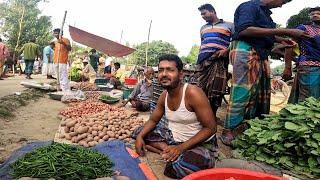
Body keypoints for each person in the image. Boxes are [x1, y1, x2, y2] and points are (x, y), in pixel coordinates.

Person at [220, 0, 312, 145]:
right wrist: (285, 31)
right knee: (243, 91)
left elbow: (267, 35)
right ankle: (229, 129)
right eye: (282, 1)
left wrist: (283, 40)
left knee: (258, 93)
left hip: (261, 52)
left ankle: (247, 125)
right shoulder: (250, 6)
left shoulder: (266, 15)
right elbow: (245, 30)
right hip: (246, 50)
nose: (281, 5)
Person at [133, 54, 217, 179]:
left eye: (170, 70)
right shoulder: (164, 96)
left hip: (198, 143)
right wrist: (140, 137)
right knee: (138, 132)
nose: (164, 74)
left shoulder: (193, 93)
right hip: (173, 138)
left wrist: (181, 148)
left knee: (178, 168)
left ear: (181, 74)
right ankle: (166, 149)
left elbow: (211, 128)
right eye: (161, 70)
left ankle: (170, 151)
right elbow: (153, 120)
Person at [194, 4, 234, 122]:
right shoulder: (202, 28)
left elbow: (235, 42)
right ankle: (202, 116)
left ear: (213, 11)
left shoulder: (229, 25)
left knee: (217, 90)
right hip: (203, 61)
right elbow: (203, 43)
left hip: (219, 61)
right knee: (201, 89)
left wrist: (226, 51)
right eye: (201, 14)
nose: (202, 16)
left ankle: (212, 117)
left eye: (204, 13)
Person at [283, 7, 320, 104]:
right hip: (309, 66)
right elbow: (289, 44)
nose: (315, 15)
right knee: (309, 99)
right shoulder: (303, 28)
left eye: (318, 13)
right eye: (312, 14)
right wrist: (287, 67)